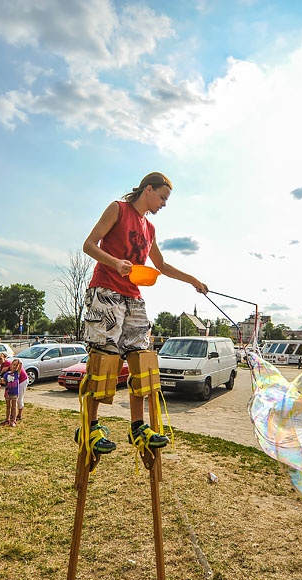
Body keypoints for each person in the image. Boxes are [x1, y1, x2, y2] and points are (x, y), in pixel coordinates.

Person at [79, 171, 207, 458]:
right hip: (106, 291)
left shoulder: (149, 229)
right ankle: (89, 426)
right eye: (162, 197)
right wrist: (115, 263)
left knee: (143, 360)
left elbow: (160, 265)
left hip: (134, 296)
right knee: (104, 359)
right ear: (147, 190)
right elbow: (89, 245)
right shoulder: (118, 209)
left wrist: (192, 280)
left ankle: (137, 427)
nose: (163, 204)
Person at [0, 359, 23, 427]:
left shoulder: (17, 373)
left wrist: (18, 361)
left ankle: (13, 420)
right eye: (14, 365)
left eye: (16, 365)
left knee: (14, 406)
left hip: (14, 392)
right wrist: (1, 381)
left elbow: (21, 364)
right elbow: (4, 381)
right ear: (11, 365)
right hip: (7, 392)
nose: (15, 366)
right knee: (8, 406)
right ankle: (7, 419)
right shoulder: (7, 374)